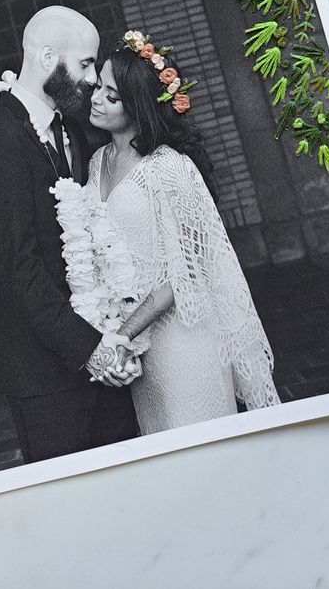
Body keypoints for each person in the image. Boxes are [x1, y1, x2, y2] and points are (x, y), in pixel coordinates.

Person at [0, 6, 139, 464]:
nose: (90, 78)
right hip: (44, 375)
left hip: (93, 344)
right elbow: (17, 269)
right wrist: (92, 349)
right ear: (47, 57)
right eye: (84, 63)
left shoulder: (68, 129)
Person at [87, 35, 280, 433]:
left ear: (138, 106)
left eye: (112, 96)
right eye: (98, 87)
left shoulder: (167, 168)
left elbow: (183, 276)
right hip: (137, 348)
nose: (96, 99)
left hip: (182, 342)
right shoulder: (95, 162)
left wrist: (118, 338)